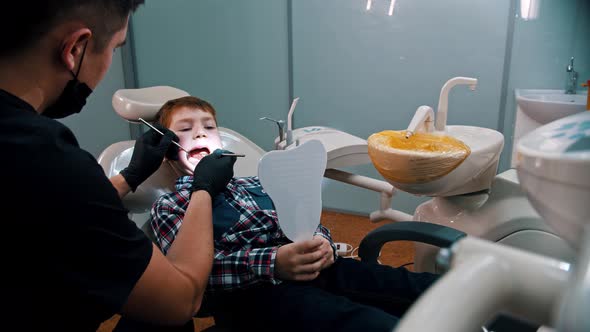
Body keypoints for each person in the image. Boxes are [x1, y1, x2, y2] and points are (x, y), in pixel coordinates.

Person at [0, 2, 236, 331]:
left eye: (208, 127)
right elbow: (180, 300)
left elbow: (57, 210)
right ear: (75, 48)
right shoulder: (45, 160)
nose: (199, 133)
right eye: (114, 47)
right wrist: (203, 190)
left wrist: (129, 177)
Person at [136, 96, 439, 332]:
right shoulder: (172, 205)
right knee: (369, 323)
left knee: (410, 288)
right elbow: (190, 277)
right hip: (255, 294)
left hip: (317, 270)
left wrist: (321, 244)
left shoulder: (256, 182)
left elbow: (306, 214)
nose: (201, 134)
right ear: (167, 149)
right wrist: (273, 262)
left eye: (209, 126)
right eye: (186, 129)